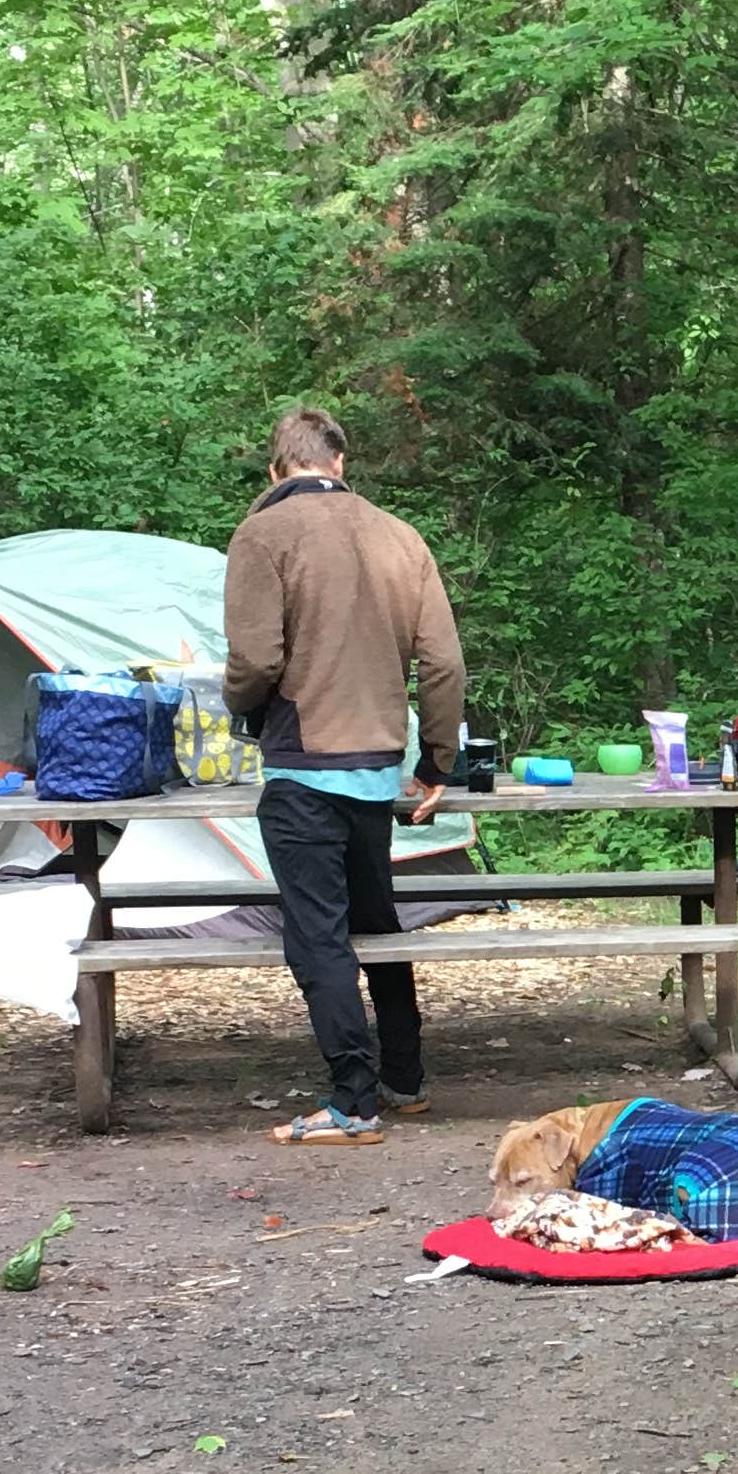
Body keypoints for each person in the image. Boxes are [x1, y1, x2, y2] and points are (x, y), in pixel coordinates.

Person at [222, 405, 464, 1144]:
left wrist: (241, 706)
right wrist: (437, 763)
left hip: (303, 770)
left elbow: (257, 661)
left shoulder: (261, 533)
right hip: (376, 769)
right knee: (375, 921)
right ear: (340, 462)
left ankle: (352, 1102)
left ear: (275, 469)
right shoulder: (400, 537)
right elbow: (444, 663)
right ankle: (405, 1078)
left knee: (318, 939)